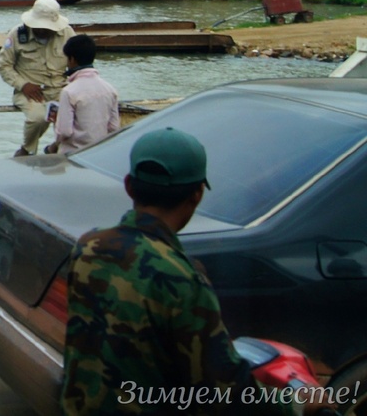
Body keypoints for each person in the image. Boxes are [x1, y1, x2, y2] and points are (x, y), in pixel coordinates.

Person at [61, 128, 326, 415]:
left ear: (128, 186)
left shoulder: (89, 246)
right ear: (197, 194)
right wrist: (296, 406)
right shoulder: (182, 279)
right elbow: (222, 388)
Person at [0, 0, 75, 157]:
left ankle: (56, 148)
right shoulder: (17, 34)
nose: (42, 30)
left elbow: (76, 62)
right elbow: (3, 65)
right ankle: (27, 149)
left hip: (60, 89)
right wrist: (23, 85)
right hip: (29, 92)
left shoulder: (67, 33)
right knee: (38, 118)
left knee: (75, 118)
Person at [44, 34, 119, 155]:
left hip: (73, 153)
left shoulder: (69, 91)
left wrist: (52, 147)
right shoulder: (110, 89)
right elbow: (113, 127)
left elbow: (65, 132)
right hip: (99, 152)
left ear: (72, 59)